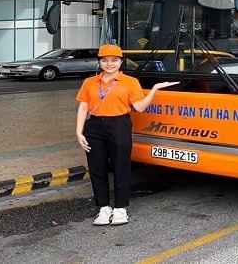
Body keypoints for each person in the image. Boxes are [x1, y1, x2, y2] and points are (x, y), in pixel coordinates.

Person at [75, 44, 178, 226]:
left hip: (119, 124)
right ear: (99, 62)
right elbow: (83, 107)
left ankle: (120, 208)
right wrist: (78, 131)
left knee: (121, 167)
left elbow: (139, 107)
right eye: (105, 60)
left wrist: (153, 90)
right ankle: (104, 208)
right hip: (94, 127)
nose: (109, 64)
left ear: (121, 61)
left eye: (114, 60)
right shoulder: (89, 83)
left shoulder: (131, 82)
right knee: (97, 169)